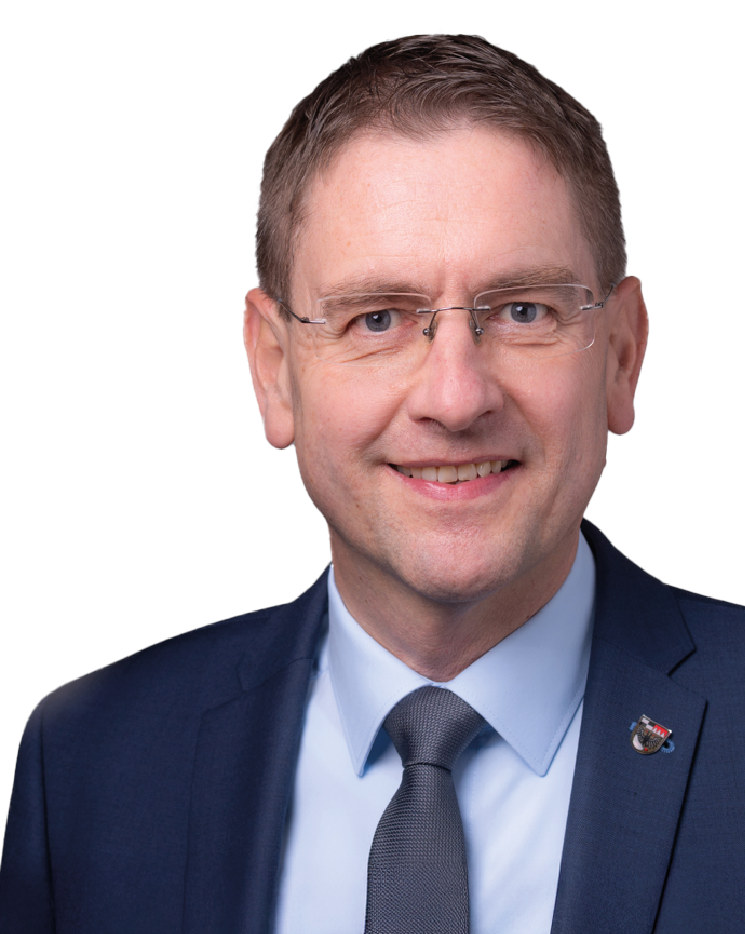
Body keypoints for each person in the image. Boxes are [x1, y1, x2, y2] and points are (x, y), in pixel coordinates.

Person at [1, 33, 743, 934]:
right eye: (378, 319)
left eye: (523, 310)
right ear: (274, 371)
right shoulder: (88, 765)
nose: (454, 398)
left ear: (620, 356)